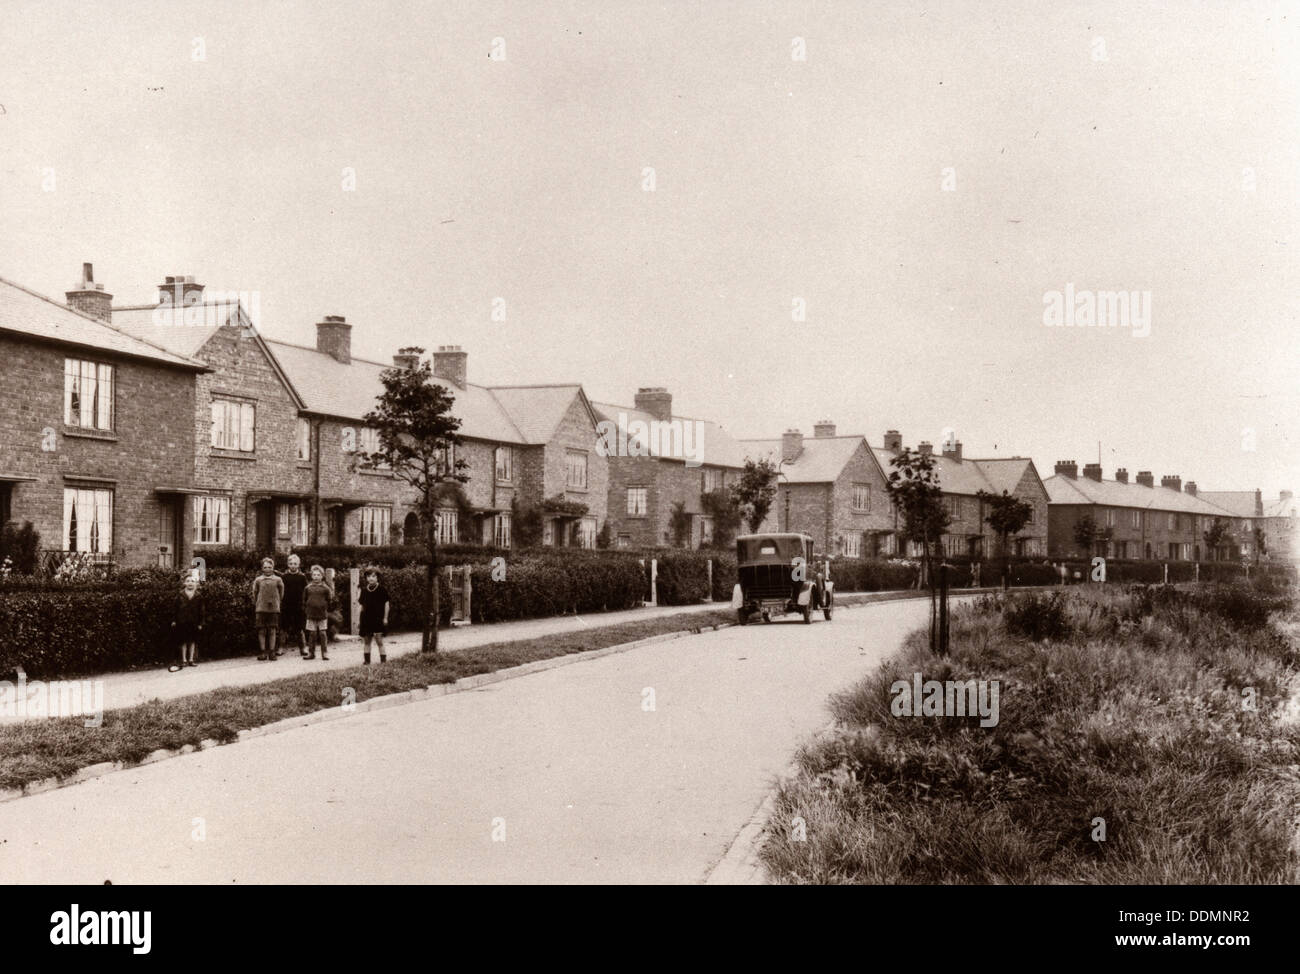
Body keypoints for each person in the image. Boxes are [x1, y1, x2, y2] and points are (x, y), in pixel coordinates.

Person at [169, 571, 205, 671]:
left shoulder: (198, 596)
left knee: (193, 641)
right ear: (184, 583)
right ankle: (184, 660)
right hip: (182, 621)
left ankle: (191, 659)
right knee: (183, 641)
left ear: (196, 584)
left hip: (194, 621)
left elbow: (201, 610)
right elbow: (175, 609)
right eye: (188, 581)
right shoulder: (180, 595)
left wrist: (201, 623)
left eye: (192, 581)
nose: (190, 583)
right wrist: (174, 620)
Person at [252, 557, 284, 661]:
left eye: (270, 567)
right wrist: (258, 603)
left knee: (272, 630)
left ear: (273, 567)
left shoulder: (278, 580)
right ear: (262, 568)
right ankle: (262, 652)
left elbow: (281, 593)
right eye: (265, 567)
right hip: (261, 608)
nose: (267, 569)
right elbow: (255, 593)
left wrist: (276, 602)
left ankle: (272, 652)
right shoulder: (258, 580)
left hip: (273, 609)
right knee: (261, 630)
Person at [358, 566, 391, 664]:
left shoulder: (382, 590)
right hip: (366, 619)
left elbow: (387, 604)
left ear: (377, 577)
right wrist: (360, 621)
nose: (370, 578)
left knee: (379, 641)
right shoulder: (364, 591)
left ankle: (383, 661)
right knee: (367, 641)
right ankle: (367, 661)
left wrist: (385, 618)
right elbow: (362, 606)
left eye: (373, 576)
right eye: (368, 576)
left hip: (378, 619)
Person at [303, 564, 333, 661]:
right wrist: (306, 609)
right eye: (314, 575)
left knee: (323, 633)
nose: (316, 577)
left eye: (318, 575)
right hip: (311, 614)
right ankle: (311, 653)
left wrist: (324, 607)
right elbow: (304, 599)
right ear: (311, 576)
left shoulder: (325, 588)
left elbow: (329, 599)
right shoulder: (308, 588)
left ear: (322, 576)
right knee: (312, 634)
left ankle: (324, 653)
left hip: (322, 614)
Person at [281, 553, 308, 659]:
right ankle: (281, 647)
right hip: (286, 605)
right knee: (284, 627)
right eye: (291, 563)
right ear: (288, 564)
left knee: (299, 628)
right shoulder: (284, 577)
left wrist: (304, 603)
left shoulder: (302, 577)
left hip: (298, 606)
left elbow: (306, 591)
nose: (293, 566)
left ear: (299, 565)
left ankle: (303, 647)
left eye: (295, 564)